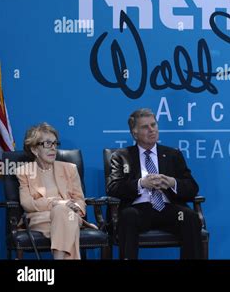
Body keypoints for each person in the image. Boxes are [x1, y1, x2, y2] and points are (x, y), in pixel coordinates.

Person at [106, 108, 202, 259]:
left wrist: (172, 182)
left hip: (168, 208)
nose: (152, 130)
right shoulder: (121, 156)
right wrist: (141, 184)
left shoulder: (172, 154)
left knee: (189, 217)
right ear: (134, 133)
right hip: (138, 210)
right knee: (128, 216)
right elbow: (113, 188)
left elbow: (192, 187)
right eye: (145, 127)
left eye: (154, 125)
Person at [17, 123, 86, 259]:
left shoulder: (70, 169)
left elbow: (79, 200)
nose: (53, 148)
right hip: (41, 218)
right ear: (34, 149)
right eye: (48, 144)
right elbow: (27, 203)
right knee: (65, 221)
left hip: (70, 215)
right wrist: (56, 203)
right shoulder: (24, 171)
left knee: (64, 216)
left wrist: (75, 207)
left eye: (55, 143)